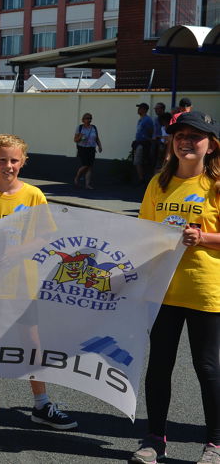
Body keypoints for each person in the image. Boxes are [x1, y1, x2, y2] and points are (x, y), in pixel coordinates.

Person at [0, 133, 78, 431]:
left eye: (14, 160)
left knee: (32, 344)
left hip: (24, 285)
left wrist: (15, 251)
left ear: (24, 161)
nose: (8, 165)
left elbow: (45, 237)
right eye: (2, 159)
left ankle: (41, 404)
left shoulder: (34, 196)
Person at [132, 111, 220, 464]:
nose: (186, 141)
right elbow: (141, 234)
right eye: (179, 135)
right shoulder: (159, 184)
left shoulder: (215, 185)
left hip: (204, 290)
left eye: (195, 136)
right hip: (162, 291)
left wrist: (202, 237)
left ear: (211, 145)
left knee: (208, 368)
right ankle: (154, 439)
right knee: (159, 367)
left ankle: (214, 443)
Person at [73, 113, 102, 190]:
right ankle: (77, 177)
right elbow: (75, 140)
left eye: (90, 118)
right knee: (85, 165)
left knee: (90, 167)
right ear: (83, 120)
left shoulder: (94, 128)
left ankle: (87, 184)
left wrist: (99, 146)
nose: (89, 120)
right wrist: (80, 136)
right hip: (82, 148)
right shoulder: (79, 128)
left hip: (91, 148)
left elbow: (97, 138)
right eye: (87, 118)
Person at [133, 102, 155, 184]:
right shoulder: (140, 119)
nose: (138, 110)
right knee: (139, 161)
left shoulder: (147, 120)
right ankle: (141, 178)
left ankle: (142, 179)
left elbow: (150, 131)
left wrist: (147, 139)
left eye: (140, 108)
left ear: (144, 110)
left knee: (139, 161)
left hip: (144, 143)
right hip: (139, 142)